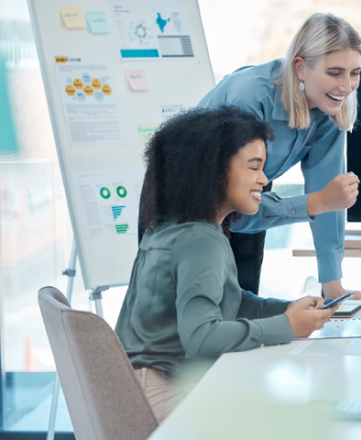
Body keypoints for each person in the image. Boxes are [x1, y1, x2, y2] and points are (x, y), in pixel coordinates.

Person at [116, 106, 336, 423]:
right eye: (254, 167)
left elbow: (225, 297)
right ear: (213, 171)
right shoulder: (200, 240)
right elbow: (202, 337)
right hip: (164, 398)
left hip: (137, 390)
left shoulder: (171, 227)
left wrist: (288, 309)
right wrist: (288, 326)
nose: (264, 179)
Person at [196, 13, 361, 299]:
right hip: (192, 201)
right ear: (300, 67)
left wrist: (333, 286)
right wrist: (315, 202)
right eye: (335, 72)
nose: (347, 86)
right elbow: (230, 206)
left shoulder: (329, 108)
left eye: (354, 72)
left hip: (249, 195)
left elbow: (329, 197)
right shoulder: (251, 97)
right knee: (199, 322)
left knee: (243, 312)